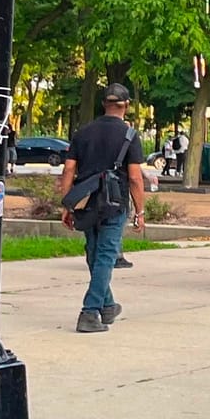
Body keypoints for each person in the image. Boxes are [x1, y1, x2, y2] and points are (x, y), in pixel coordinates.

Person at [58, 82, 145, 334]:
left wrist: (67, 205)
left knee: (95, 253)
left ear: (104, 104)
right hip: (114, 202)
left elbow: (69, 170)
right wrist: (139, 212)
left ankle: (107, 306)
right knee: (106, 254)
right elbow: (136, 178)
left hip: (86, 201)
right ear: (126, 106)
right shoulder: (129, 135)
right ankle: (89, 312)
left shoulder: (83, 132)